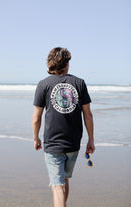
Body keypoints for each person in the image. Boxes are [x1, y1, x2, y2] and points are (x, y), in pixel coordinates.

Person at [32, 47, 95, 207]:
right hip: (73, 144)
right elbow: (88, 115)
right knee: (64, 180)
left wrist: (35, 138)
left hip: (53, 144)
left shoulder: (43, 84)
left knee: (57, 186)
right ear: (67, 64)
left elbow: (36, 118)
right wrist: (91, 140)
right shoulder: (79, 83)